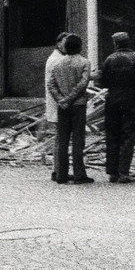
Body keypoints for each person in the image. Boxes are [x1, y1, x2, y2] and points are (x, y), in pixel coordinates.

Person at [99, 31, 135, 183]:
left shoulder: (109, 59)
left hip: (112, 99)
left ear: (116, 44)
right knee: (128, 135)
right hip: (130, 98)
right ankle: (124, 172)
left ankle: (113, 173)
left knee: (112, 134)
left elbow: (102, 82)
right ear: (128, 42)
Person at [47, 33, 94, 185]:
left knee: (62, 141)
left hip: (63, 107)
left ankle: (61, 174)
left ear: (65, 47)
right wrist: (70, 99)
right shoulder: (84, 62)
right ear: (80, 46)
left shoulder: (58, 64)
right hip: (78, 105)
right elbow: (83, 83)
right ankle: (79, 174)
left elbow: (51, 85)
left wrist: (61, 100)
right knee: (78, 140)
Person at [44, 31, 69, 181]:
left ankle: (58, 169)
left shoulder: (58, 58)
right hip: (59, 104)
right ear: (59, 44)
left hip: (58, 103)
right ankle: (58, 170)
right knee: (60, 138)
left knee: (60, 138)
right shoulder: (56, 60)